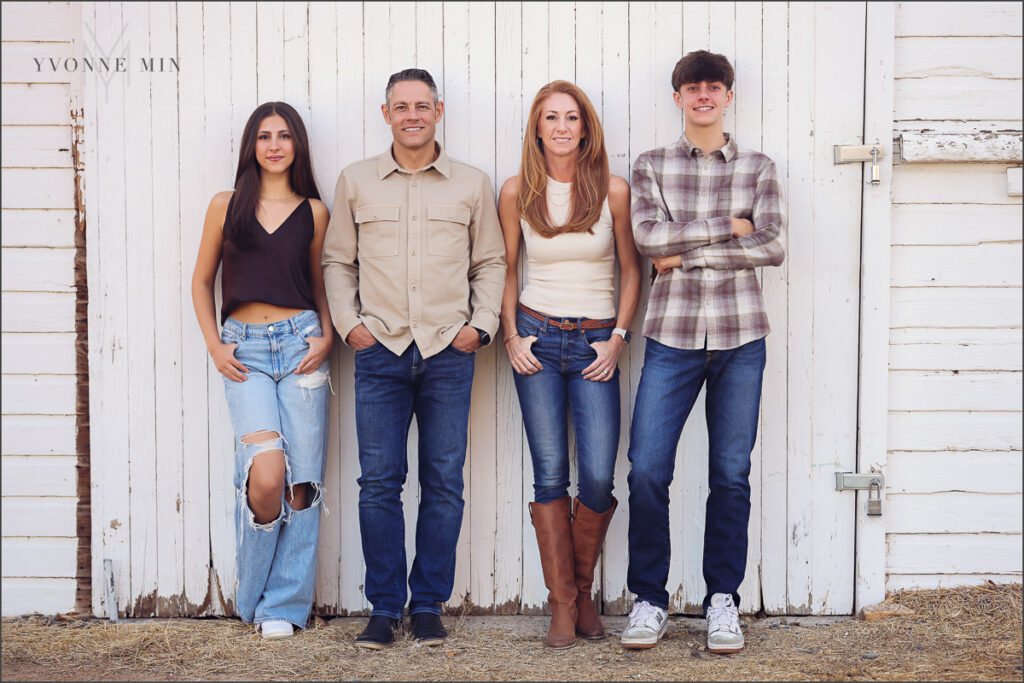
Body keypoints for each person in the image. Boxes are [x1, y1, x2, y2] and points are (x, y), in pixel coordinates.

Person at [321, 68, 506, 649]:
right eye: (401, 106)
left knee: (443, 483)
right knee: (378, 484)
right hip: (380, 352)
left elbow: (491, 263)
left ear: (438, 110)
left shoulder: (471, 184)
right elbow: (337, 262)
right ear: (386, 114)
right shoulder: (355, 181)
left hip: (450, 351)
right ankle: (382, 608)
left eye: (422, 105)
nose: (412, 115)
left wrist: (480, 327)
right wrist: (351, 328)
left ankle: (427, 606)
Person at [621, 50, 786, 654]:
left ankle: (724, 600)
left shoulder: (760, 167)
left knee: (730, 473)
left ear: (728, 95)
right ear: (678, 98)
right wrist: (730, 226)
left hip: (742, 335)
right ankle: (649, 598)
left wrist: (685, 251)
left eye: (713, 88)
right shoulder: (652, 165)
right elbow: (646, 239)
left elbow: (771, 246)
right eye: (692, 89)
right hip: (673, 334)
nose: (703, 97)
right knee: (647, 469)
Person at [498, 80, 641, 649]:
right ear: (537, 127)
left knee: (601, 475)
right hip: (535, 337)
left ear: (586, 127)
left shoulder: (613, 190)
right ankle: (564, 605)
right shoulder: (516, 191)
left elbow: (631, 269)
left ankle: (580, 593)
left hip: (595, 342)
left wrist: (619, 340)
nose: (561, 127)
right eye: (550, 117)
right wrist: (511, 336)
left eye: (571, 118)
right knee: (552, 471)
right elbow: (506, 269)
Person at [191, 101, 333, 640]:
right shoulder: (225, 205)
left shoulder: (314, 211)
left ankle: (285, 607)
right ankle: (252, 596)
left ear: (297, 144)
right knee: (267, 475)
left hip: (301, 346)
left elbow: (318, 283)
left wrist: (327, 335)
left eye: (285, 136)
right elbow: (202, 282)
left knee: (302, 485)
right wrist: (214, 345)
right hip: (243, 351)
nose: (275, 145)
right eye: (264, 136)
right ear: (252, 145)